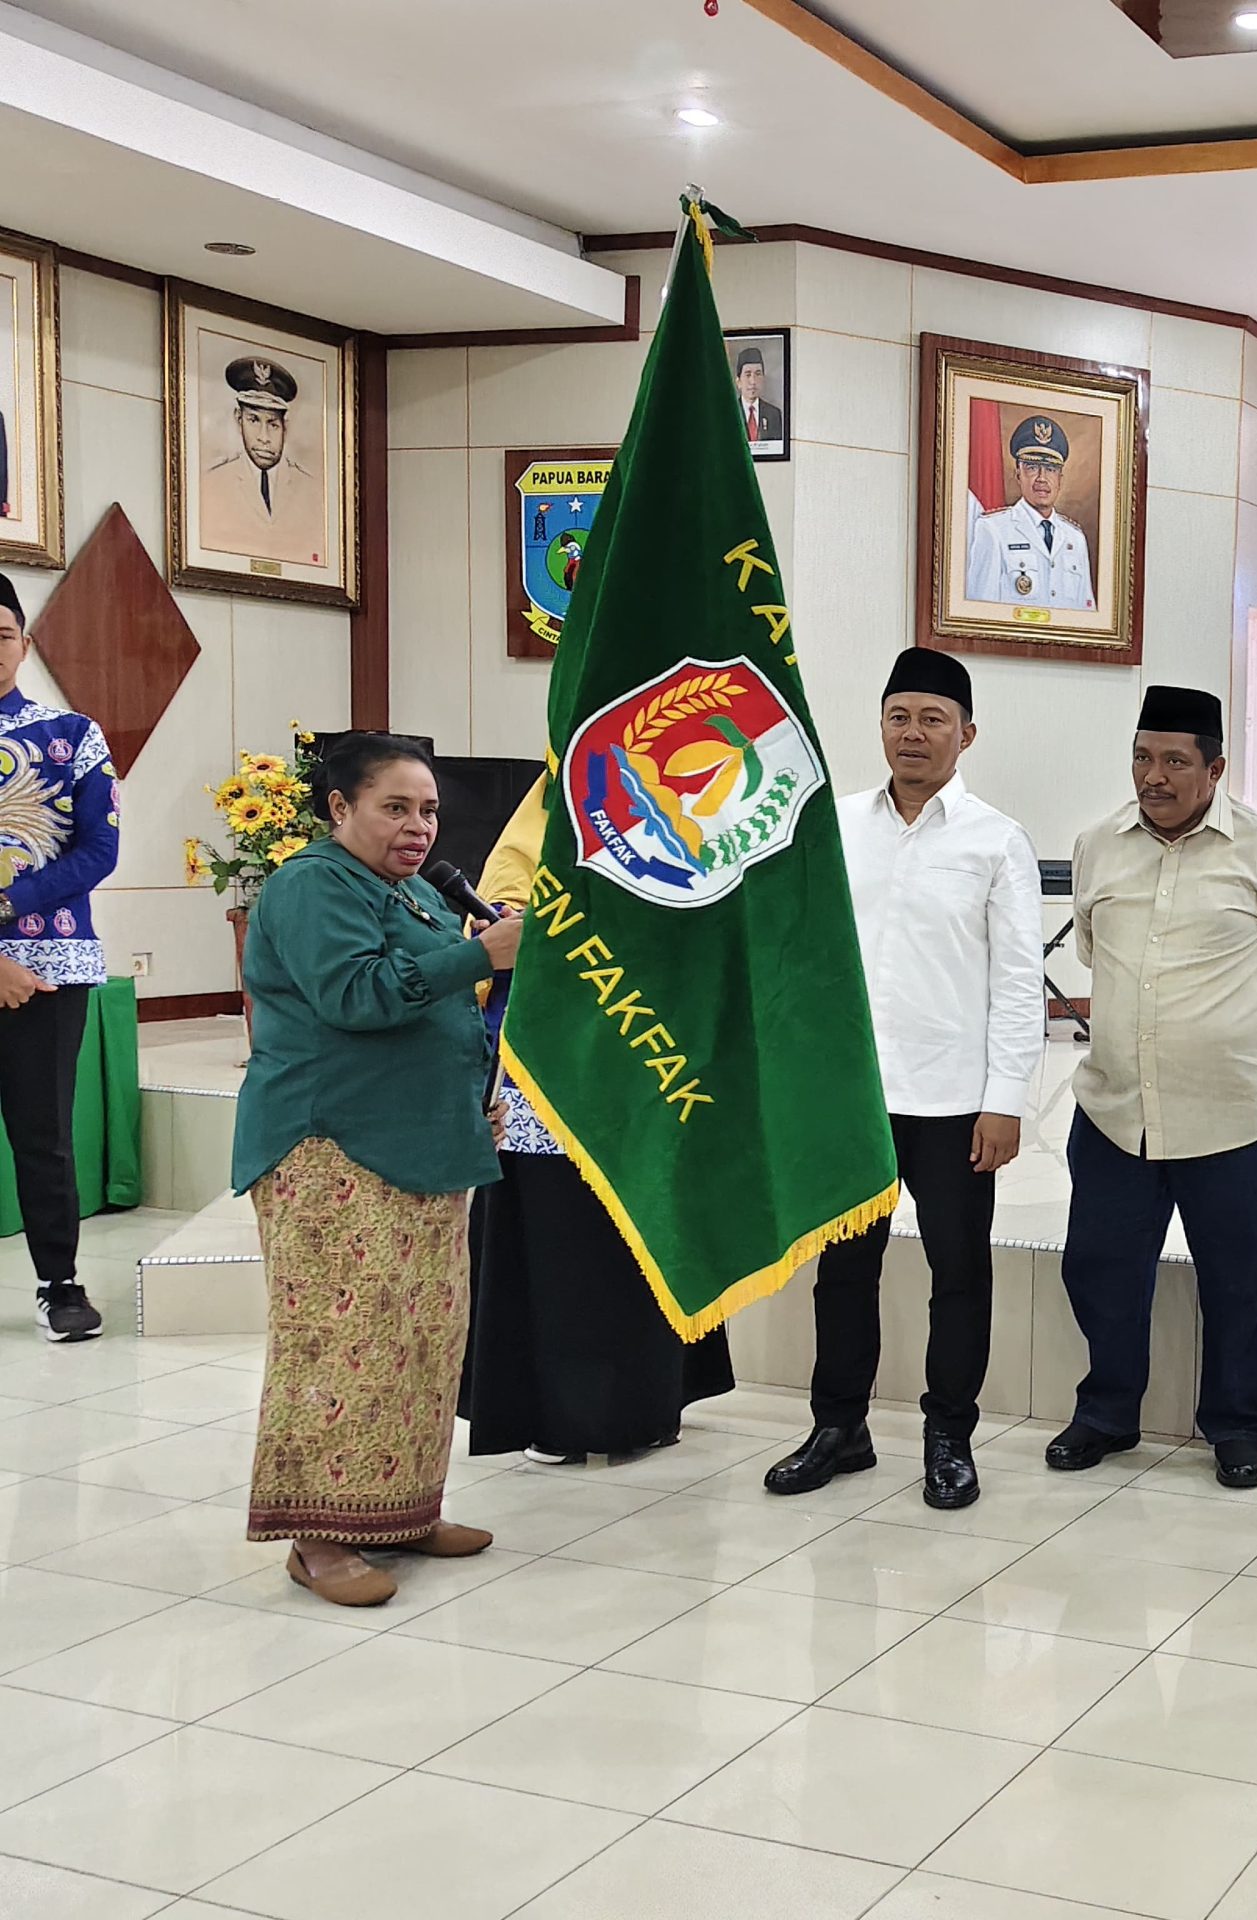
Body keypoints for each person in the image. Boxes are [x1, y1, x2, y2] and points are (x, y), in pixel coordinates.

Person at [234, 734, 520, 1607]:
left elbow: (438, 1016)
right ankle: (317, 1540)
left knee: (419, 1343)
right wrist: (481, 955)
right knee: (339, 1345)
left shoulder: (417, 895)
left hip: (421, 1147)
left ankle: (399, 1512)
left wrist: (472, 1097)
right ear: (339, 808)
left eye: (428, 810)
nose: (418, 827)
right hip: (331, 1149)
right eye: (395, 807)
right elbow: (354, 995)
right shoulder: (311, 885)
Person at [765, 647, 1044, 1509]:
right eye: (898, 717)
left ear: (967, 734)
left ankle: (948, 1436)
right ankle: (838, 1428)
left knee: (959, 1275)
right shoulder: (835, 825)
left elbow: (1017, 982)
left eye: (932, 720)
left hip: (955, 1103)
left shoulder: (996, 840)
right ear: (880, 725)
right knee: (844, 1272)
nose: (913, 734)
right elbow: (801, 955)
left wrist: (1005, 1102)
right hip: (854, 1098)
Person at [1048, 685, 1257, 1489]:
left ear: (1215, 769)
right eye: (1143, 758)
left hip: (1233, 1114)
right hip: (1116, 1110)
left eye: (1176, 762)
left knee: (1235, 1282)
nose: (1155, 777)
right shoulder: (1098, 846)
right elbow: (1097, 953)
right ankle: (1107, 1413)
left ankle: (1238, 1427)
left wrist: (1244, 1033)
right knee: (1100, 1270)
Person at [462, 775, 734, 1469]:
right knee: (554, 1240)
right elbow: (498, 929)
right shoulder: (539, 820)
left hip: (647, 1065)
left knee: (639, 1240)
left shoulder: (675, 816)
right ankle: (555, 1414)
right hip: (551, 1069)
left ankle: (648, 1406)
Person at [0, 571, 121, 1343]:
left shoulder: (71, 735)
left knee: (42, 1132)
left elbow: (98, 850)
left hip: (48, 968)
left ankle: (60, 1284)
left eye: (2, 635)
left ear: (26, 642)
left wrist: (7, 905)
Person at [201, 356, 326, 567]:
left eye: (273, 424)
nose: (264, 437)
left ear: (285, 426)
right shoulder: (213, 483)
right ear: (238, 419)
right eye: (253, 420)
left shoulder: (312, 489)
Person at [964, 415, 1096, 610]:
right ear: (1018, 474)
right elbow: (979, 609)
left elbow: (1086, 613)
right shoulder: (992, 530)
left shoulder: (1075, 538)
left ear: (1060, 478)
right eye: (1032, 467)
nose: (1042, 478)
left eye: (1050, 469)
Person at [736, 344, 783, 446]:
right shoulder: (730, 413)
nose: (753, 381)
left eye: (758, 374)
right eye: (748, 375)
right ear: (738, 382)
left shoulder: (774, 414)